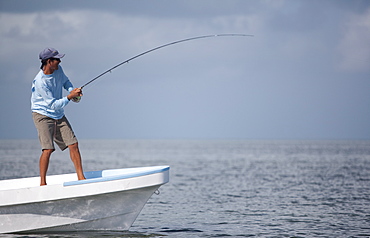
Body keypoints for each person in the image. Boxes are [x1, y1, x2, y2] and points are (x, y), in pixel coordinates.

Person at [31, 47, 86, 186]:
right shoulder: (40, 82)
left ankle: (81, 178)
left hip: (58, 114)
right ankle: (42, 183)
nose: (59, 61)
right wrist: (69, 97)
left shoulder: (58, 70)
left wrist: (72, 91)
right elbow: (53, 104)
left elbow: (65, 81)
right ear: (49, 62)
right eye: (57, 59)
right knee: (48, 149)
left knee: (73, 144)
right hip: (42, 114)